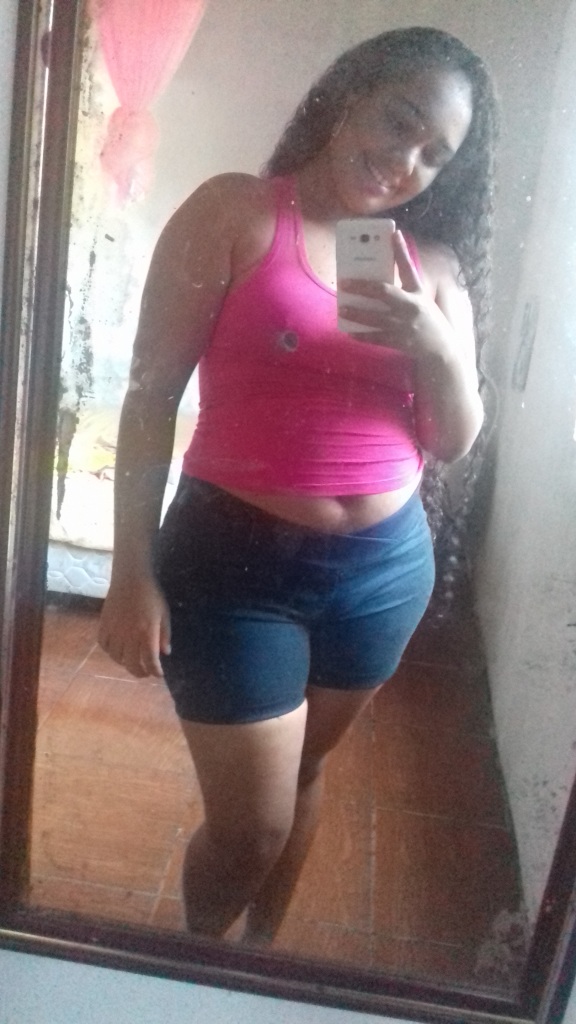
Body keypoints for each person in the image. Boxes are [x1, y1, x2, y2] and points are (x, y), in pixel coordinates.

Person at [98, 26, 498, 944]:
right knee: (252, 826)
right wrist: (131, 571)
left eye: (435, 154)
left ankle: (262, 958)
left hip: (383, 572)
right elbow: (150, 395)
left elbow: (452, 441)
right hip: (232, 565)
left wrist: (433, 345)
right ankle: (198, 969)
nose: (405, 161)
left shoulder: (434, 270)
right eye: (399, 121)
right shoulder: (236, 212)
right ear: (349, 96)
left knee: (307, 776)